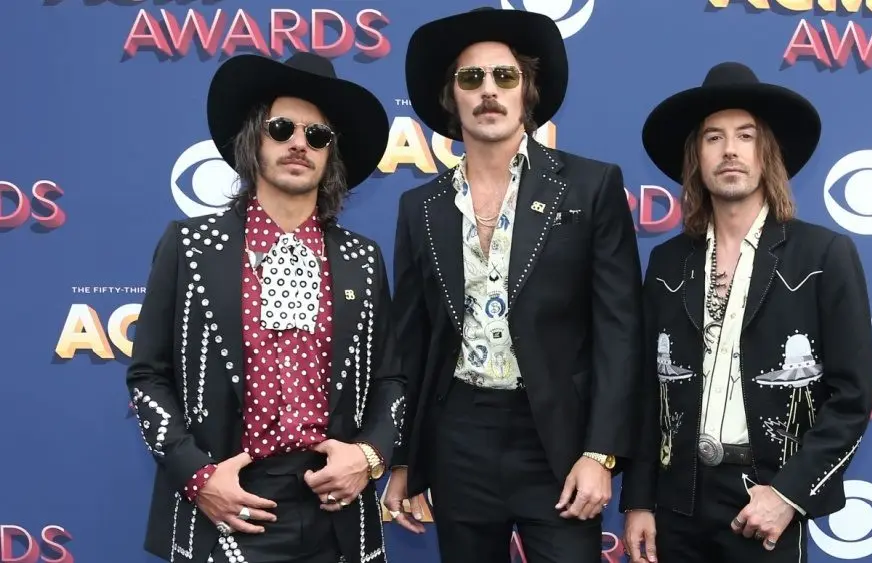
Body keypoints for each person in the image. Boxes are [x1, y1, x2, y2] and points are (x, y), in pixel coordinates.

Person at [381, 6, 644, 562]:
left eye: (505, 76)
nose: (488, 92)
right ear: (450, 99)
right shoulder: (419, 207)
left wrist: (600, 453)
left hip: (557, 439)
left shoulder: (590, 186)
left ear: (528, 92)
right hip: (459, 438)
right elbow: (409, 342)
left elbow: (620, 330)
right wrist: (403, 458)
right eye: (470, 78)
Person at [125, 52, 405, 563]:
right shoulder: (189, 246)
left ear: (331, 155)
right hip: (227, 502)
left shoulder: (362, 259)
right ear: (254, 140)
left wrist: (367, 457)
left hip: (334, 506)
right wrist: (198, 477)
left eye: (317, 135)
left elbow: (391, 379)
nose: (300, 143)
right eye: (282, 129)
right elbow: (148, 376)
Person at [620, 62, 872, 563]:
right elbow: (647, 392)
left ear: (768, 154)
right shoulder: (668, 262)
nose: (730, 150)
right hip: (678, 500)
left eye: (746, 135)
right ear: (697, 157)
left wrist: (787, 495)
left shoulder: (823, 256)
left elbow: (851, 398)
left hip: (766, 498)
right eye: (714, 138)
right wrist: (639, 500)